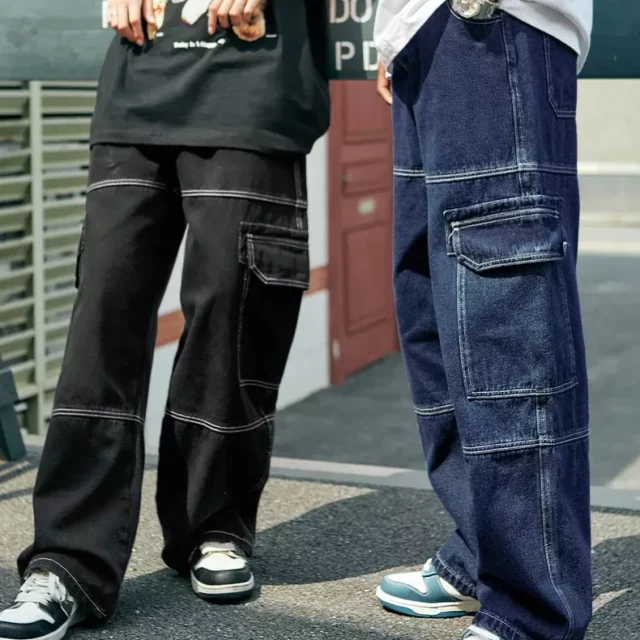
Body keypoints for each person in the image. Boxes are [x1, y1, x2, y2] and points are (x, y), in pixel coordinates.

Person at [0, 0, 329, 638]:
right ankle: (67, 561)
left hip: (254, 85)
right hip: (139, 84)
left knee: (230, 311)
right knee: (102, 321)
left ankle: (214, 525)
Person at [374, 1, 593, 639]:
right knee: (434, 310)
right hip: (422, 37)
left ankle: (534, 611)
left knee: (506, 319)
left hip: (496, 25)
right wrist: (397, 35)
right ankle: (481, 555)